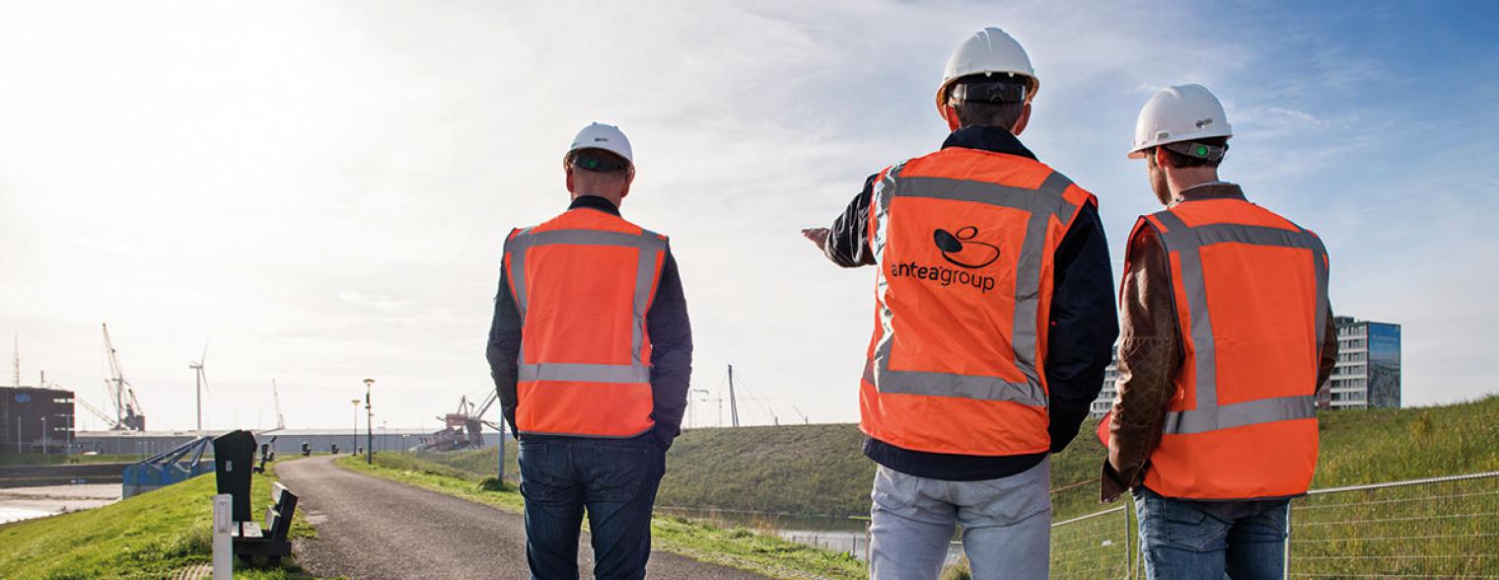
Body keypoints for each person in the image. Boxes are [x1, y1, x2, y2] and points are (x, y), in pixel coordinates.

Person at [803, 27, 1117, 580]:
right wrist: (1048, 430)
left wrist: (826, 240)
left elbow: (846, 242)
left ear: (950, 111)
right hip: (1009, 456)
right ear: (1022, 114)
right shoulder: (1066, 206)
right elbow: (1088, 340)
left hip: (906, 450)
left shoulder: (892, 189)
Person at [1100, 84, 1337, 579]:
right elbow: (1322, 356)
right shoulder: (1301, 244)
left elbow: (1146, 372)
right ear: (1219, 150)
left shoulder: (1163, 238)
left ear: (1159, 155)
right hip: (1274, 476)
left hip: (1188, 483)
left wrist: (1122, 463)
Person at [487, 122, 692, 580]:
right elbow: (676, 351)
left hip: (544, 438)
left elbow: (501, 347)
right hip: (626, 444)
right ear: (627, 182)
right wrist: (662, 433)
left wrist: (520, 419)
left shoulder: (522, 247)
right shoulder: (651, 250)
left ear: (568, 175)